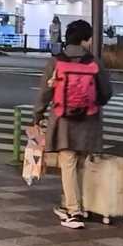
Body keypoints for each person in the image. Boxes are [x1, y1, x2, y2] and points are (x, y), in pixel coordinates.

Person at [33, 18, 112, 229]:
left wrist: (38, 115)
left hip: (64, 121)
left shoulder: (56, 62)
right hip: (88, 120)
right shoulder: (94, 62)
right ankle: (78, 205)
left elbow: (44, 93)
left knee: (68, 163)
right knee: (81, 163)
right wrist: (92, 103)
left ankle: (73, 211)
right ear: (85, 40)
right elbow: (106, 92)